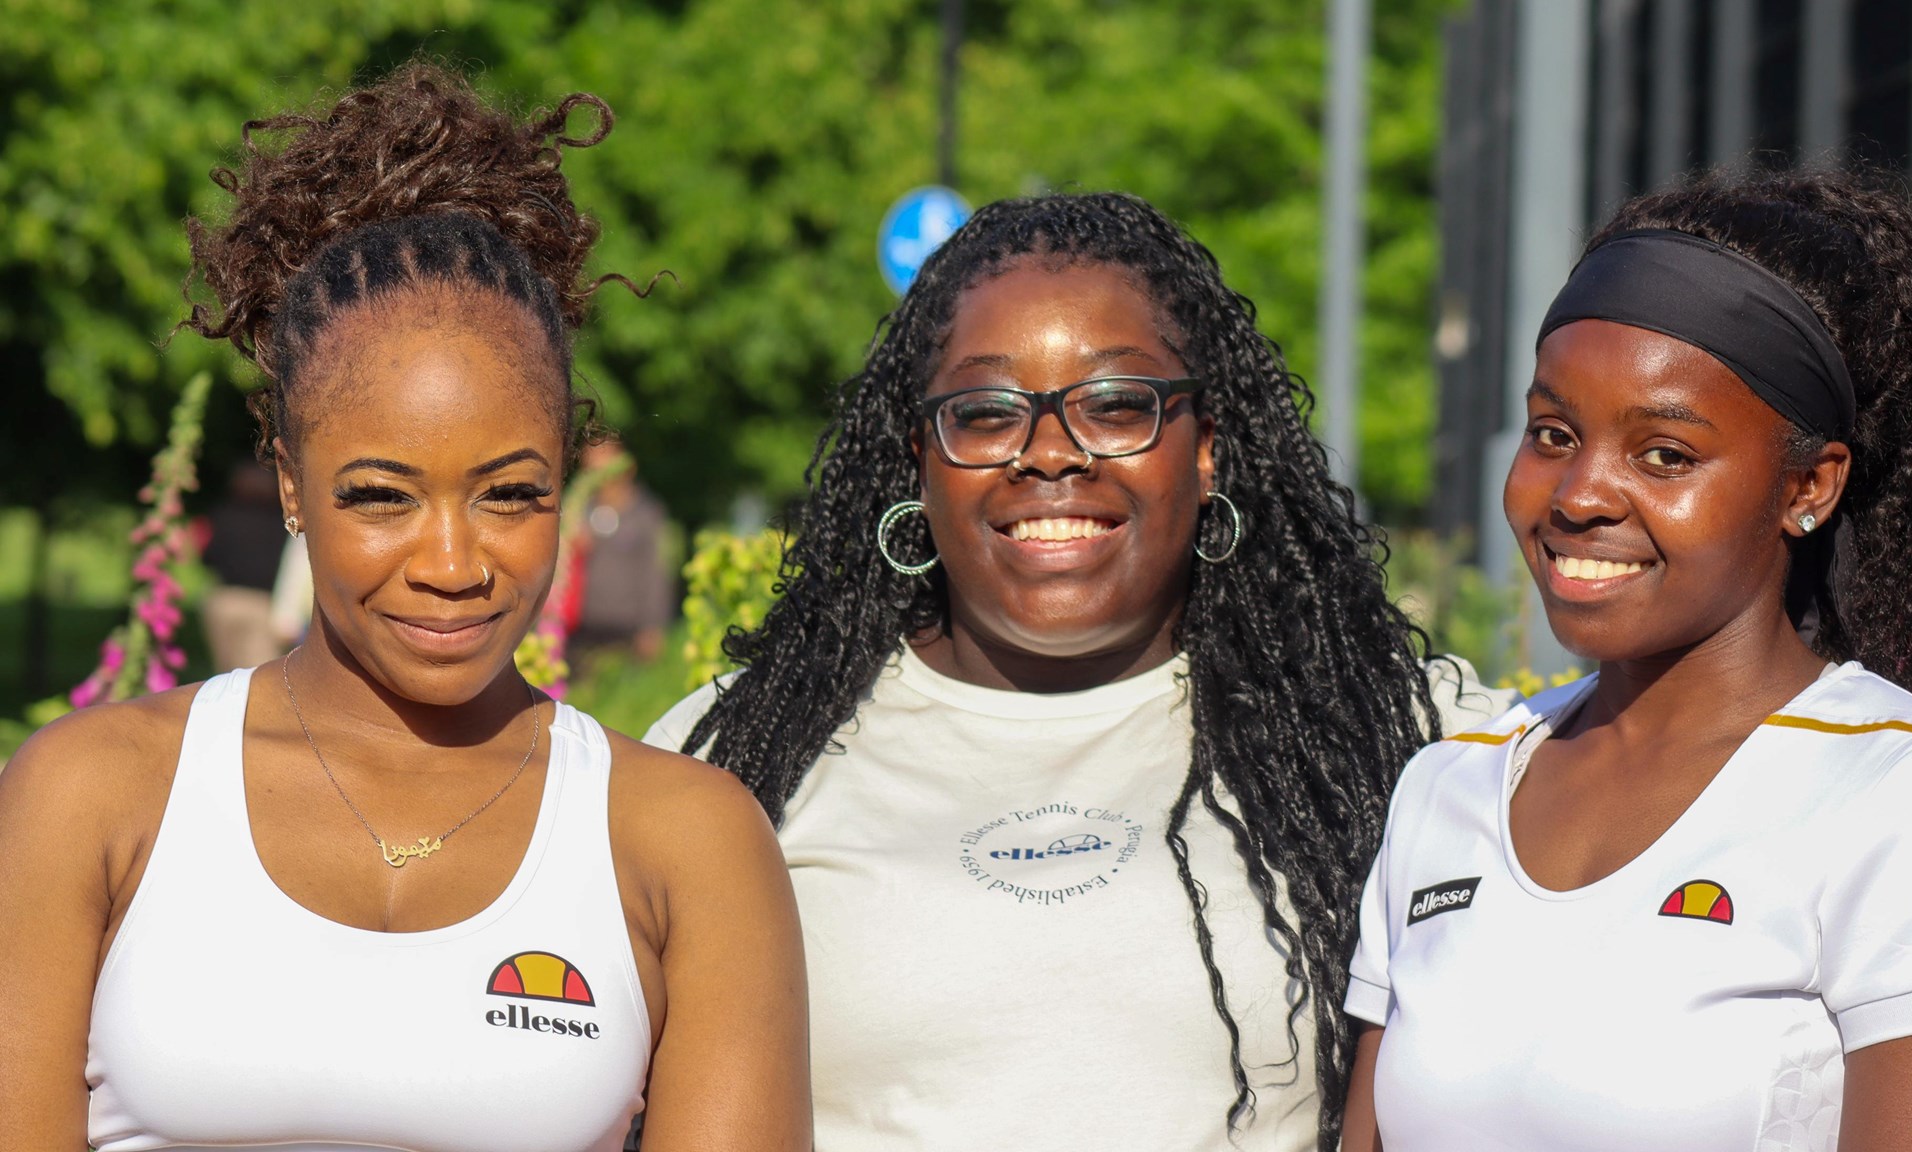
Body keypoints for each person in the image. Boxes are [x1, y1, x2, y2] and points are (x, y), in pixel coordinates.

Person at [0, 63, 808, 1151]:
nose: (451, 562)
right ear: (289, 483)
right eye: (380, 496)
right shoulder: (90, 795)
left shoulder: (686, 843)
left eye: (509, 494)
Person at [644, 191, 1515, 1151]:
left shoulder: (1401, 738)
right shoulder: (726, 769)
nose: (1050, 453)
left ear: (1209, 449)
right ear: (918, 463)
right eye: (984, 413)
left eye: (1115, 406)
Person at [1342, 168, 1912, 1152]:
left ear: (1806, 486)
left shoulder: (1898, 791)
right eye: (1553, 434)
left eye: (1664, 454)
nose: (1578, 493)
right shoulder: (1445, 788)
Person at [566, 439, 676, 669]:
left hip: (629, 631)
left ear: (626, 467)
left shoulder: (647, 513)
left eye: (606, 465)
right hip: (581, 629)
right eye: (591, 468)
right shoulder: (577, 511)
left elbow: (656, 571)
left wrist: (653, 626)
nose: (600, 474)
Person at [199, 459, 292, 669]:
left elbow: (208, 556)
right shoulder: (281, 522)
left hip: (224, 599)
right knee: (259, 677)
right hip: (262, 603)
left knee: (225, 676)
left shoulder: (222, 515)